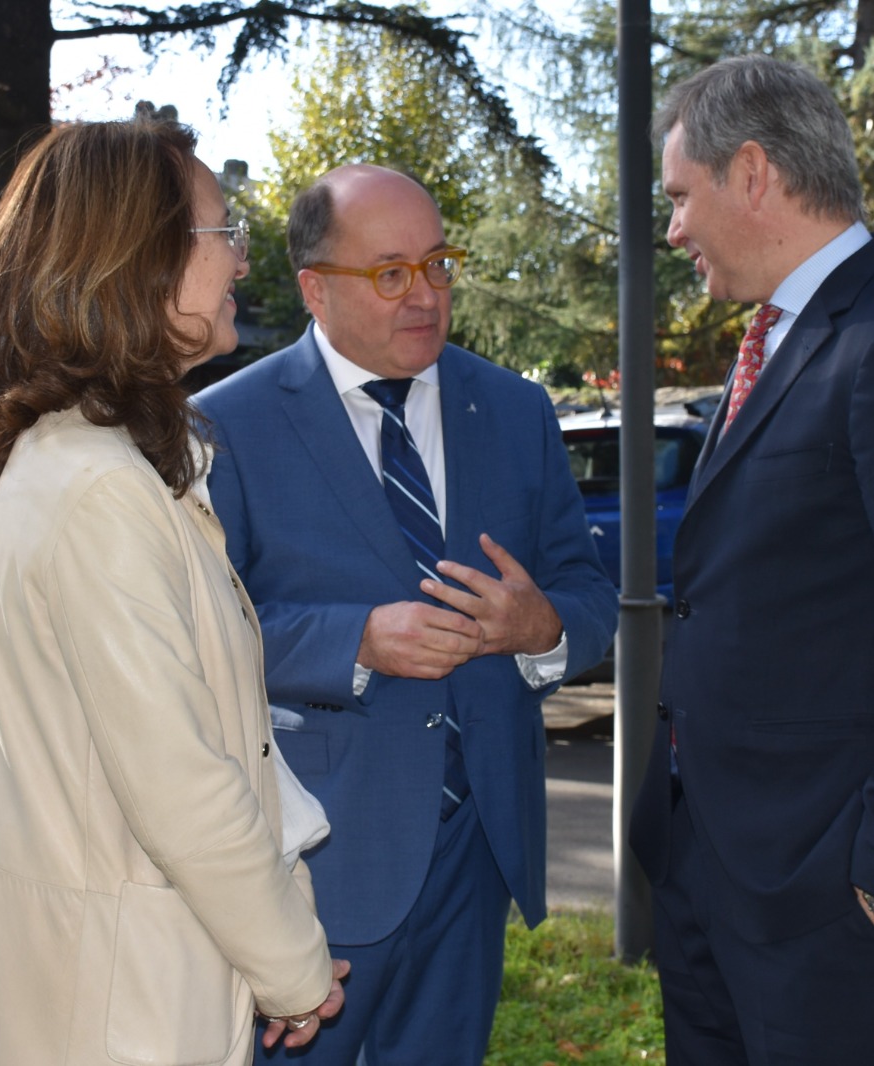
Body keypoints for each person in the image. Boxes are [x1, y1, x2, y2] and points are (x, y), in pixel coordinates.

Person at [0, 117, 346, 1066]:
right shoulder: (100, 491)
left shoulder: (98, 466)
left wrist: (281, 937)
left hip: (114, 983)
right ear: (136, 260)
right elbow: (185, 786)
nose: (241, 260)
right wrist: (297, 969)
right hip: (113, 1010)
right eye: (221, 232)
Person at [629, 56, 874, 1065]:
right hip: (716, 878)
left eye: (680, 197)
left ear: (751, 173)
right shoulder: (774, 340)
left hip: (834, 910)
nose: (672, 230)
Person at [190, 164, 618, 1065]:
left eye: (438, 265)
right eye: (390, 273)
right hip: (316, 859)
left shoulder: (515, 409)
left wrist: (541, 628)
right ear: (314, 287)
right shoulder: (222, 428)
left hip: (475, 854)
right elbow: (196, 636)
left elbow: (589, 594)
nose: (424, 295)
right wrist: (356, 640)